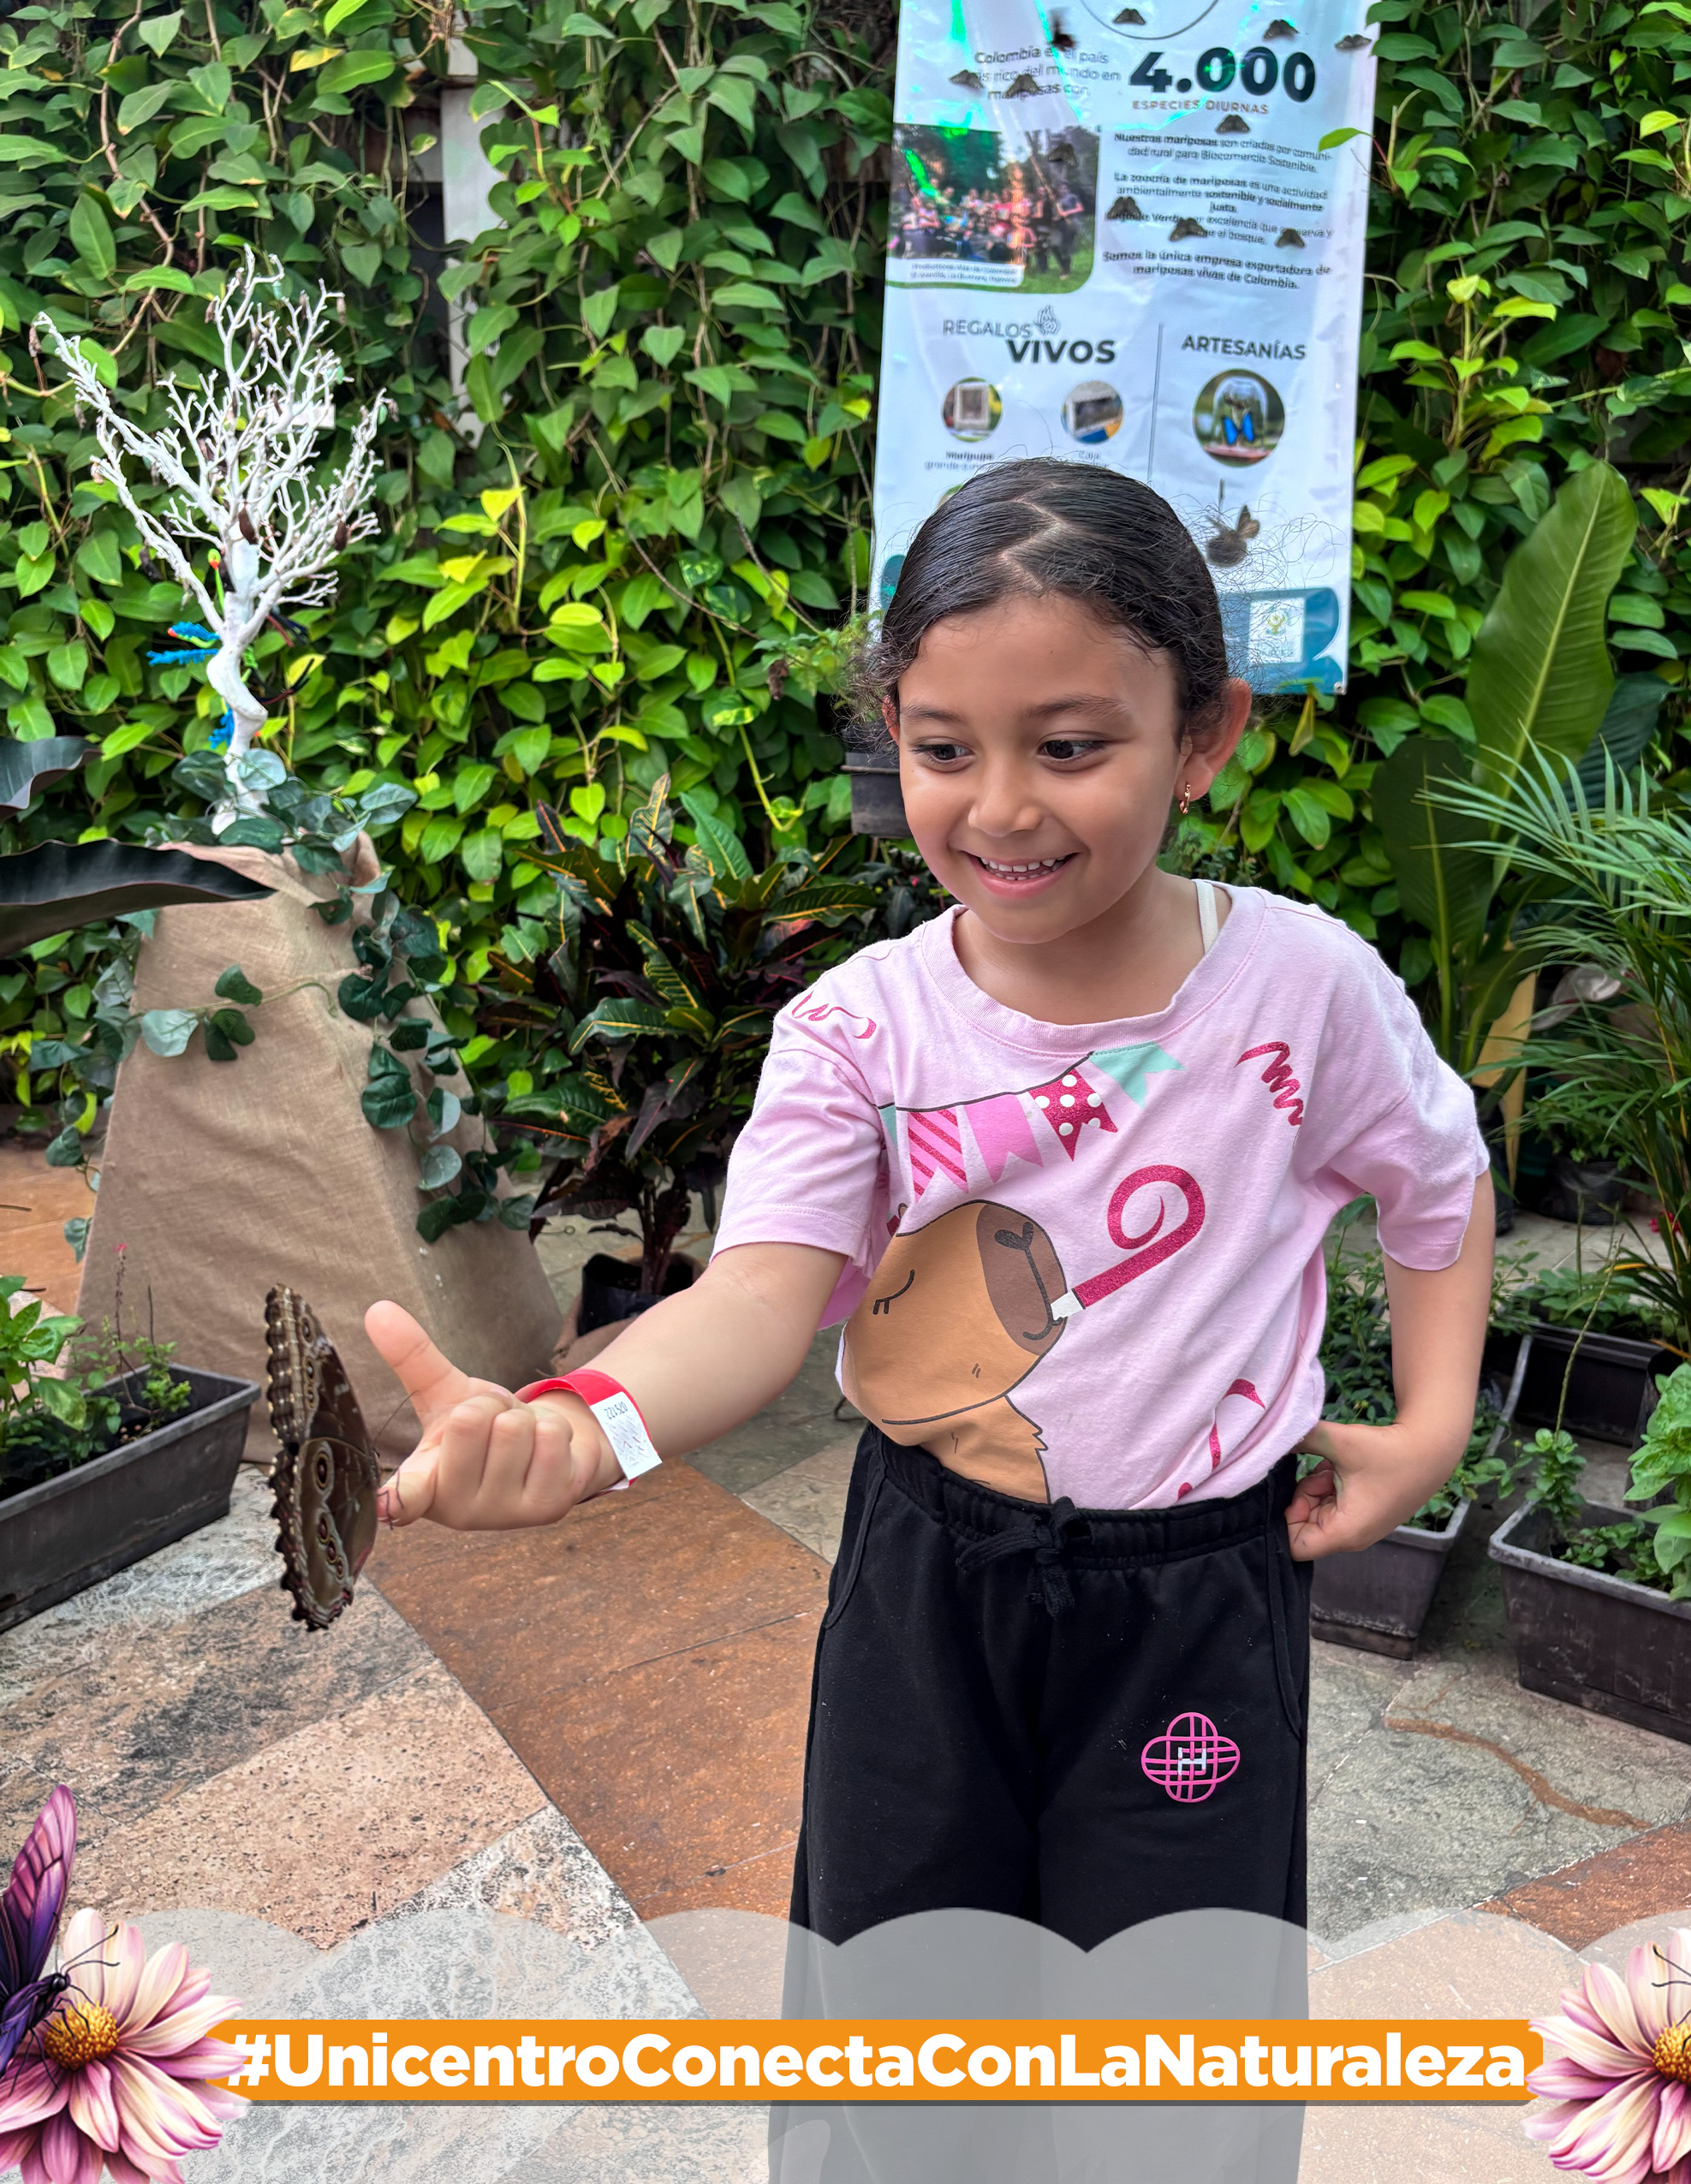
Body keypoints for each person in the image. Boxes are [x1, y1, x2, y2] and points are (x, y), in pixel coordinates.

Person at [366, 458, 1493, 1955]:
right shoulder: (859, 1031)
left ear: (1203, 736)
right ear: (892, 729)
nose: (1004, 807)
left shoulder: (1304, 992)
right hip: (925, 1581)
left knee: (1175, 1999)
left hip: (1197, 1605)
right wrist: (591, 1423)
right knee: (900, 1989)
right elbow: (760, 1295)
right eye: (947, 747)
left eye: (1073, 744)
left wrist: (1428, 1427)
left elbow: (1440, 1187)